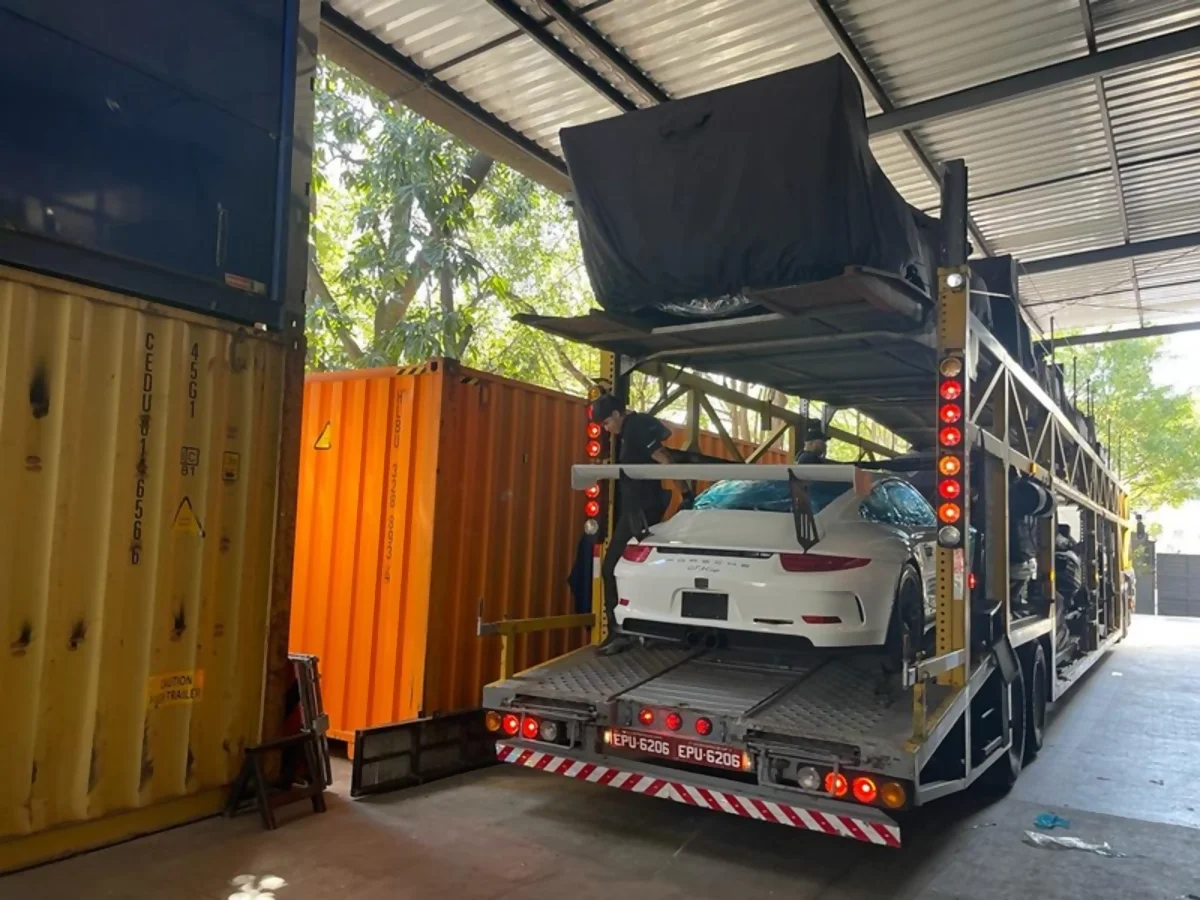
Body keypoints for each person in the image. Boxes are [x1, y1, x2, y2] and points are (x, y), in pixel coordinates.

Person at [590, 393, 689, 653]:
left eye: (606, 423)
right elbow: (664, 433)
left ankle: (618, 632)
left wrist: (686, 494)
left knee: (611, 566)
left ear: (615, 414)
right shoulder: (636, 427)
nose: (606, 429)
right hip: (643, 507)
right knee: (648, 568)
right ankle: (652, 629)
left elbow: (663, 457)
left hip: (640, 510)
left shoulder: (634, 428)